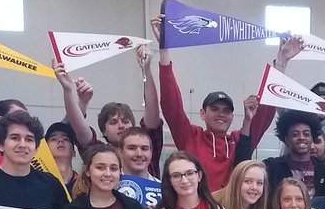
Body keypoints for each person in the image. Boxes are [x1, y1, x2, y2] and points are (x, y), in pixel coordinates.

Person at [154, 14, 295, 189]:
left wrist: (281, 61)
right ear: (202, 113)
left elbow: (265, 111)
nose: (221, 114)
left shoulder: (240, 140)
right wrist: (163, 49)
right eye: (215, 109)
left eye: (227, 111)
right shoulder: (190, 136)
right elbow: (170, 104)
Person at [55, 48, 165, 177]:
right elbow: (80, 129)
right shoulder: (98, 153)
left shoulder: (144, 148)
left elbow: (152, 116)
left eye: (125, 121)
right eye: (113, 122)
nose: (121, 126)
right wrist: (71, 92)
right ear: (103, 131)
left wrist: (146, 69)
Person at [43, 121, 78, 195]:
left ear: (74, 151)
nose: (60, 140)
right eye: (53, 139)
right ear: (45, 149)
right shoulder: (39, 182)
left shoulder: (84, 185)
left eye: (66, 139)